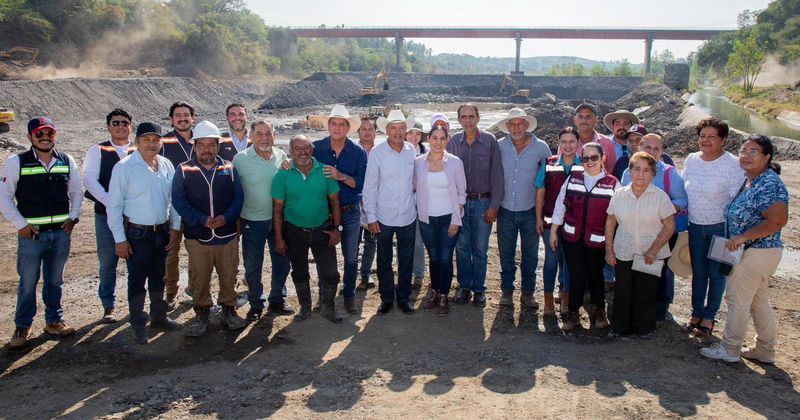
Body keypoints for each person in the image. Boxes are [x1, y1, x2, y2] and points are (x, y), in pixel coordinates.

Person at [700, 135, 788, 363]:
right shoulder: (751, 180)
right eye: (744, 150)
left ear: (767, 157)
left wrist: (742, 238)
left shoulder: (769, 184)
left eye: (754, 152)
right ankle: (765, 350)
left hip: (757, 251)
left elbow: (778, 220)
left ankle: (730, 349)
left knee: (736, 298)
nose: (746, 156)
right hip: (753, 251)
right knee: (758, 301)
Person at [2, 117, 82, 349]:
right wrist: (21, 224)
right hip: (31, 236)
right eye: (39, 134)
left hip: (60, 234)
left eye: (50, 133)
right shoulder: (16, 162)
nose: (45, 137)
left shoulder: (66, 160)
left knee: (55, 280)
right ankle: (22, 325)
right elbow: (4, 197)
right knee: (28, 282)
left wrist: (74, 217)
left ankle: (54, 321)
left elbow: (76, 192)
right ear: (30, 137)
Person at [107, 122, 182, 345]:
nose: (151, 144)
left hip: (162, 232)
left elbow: (174, 200)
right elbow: (114, 207)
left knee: (159, 276)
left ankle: (159, 317)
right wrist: (120, 239)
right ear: (137, 141)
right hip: (138, 234)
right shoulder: (125, 167)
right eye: (146, 140)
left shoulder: (167, 165)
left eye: (155, 140)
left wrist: (176, 227)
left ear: (161, 142)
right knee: (138, 279)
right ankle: (138, 322)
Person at [172, 121, 246, 337]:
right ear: (195, 146)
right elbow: (179, 201)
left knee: (228, 274)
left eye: (211, 145)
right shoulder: (184, 170)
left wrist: (227, 217)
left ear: (218, 146)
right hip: (198, 236)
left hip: (227, 235)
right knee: (200, 277)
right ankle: (202, 312)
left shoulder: (229, 168)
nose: (207, 149)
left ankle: (228, 309)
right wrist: (201, 219)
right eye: (202, 144)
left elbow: (238, 197)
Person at [681, 117, 745, 337]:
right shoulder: (691, 160)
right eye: (702, 136)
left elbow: (738, 199)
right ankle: (696, 313)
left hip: (722, 229)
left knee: (717, 274)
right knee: (698, 273)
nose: (706, 140)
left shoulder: (733, 164)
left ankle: (709, 318)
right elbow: (683, 187)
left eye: (712, 137)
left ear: (723, 140)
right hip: (695, 226)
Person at [273, 135, 343, 323]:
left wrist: (337, 228)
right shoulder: (282, 175)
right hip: (294, 231)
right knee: (299, 271)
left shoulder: (325, 172)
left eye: (306, 147)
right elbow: (277, 209)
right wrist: (279, 238)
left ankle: (329, 308)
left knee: (330, 273)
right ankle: (305, 307)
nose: (303, 152)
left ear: (312, 149)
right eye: (297, 148)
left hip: (323, 230)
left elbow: (335, 202)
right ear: (291, 151)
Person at [605, 152, 676, 336]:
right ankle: (619, 328)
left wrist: (653, 250)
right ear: (630, 171)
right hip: (624, 250)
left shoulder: (660, 197)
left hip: (650, 254)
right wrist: (609, 250)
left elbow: (670, 226)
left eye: (646, 170)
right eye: (637, 169)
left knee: (645, 292)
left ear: (653, 173)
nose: (641, 174)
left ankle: (643, 329)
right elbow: (610, 221)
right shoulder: (619, 194)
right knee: (623, 290)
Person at [550, 142, 617, 330]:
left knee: (596, 276)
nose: (589, 162)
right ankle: (572, 314)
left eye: (594, 157)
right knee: (576, 274)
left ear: (603, 158)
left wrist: (612, 244)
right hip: (572, 238)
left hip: (597, 241)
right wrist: (554, 231)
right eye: (585, 158)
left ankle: (599, 312)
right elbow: (560, 206)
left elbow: (618, 215)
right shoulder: (573, 179)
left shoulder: (613, 184)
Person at [622, 133, 688, 320]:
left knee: (662, 269)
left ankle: (661, 307)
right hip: (636, 229)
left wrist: (666, 210)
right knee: (638, 266)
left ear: (662, 152)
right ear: (639, 148)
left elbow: (682, 200)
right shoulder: (628, 172)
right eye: (647, 147)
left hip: (663, 230)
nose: (651, 152)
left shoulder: (669, 174)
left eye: (656, 148)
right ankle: (640, 303)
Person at [233, 119, 292, 321]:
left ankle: (277, 299)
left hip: (279, 221)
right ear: (251, 136)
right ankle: (256, 303)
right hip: (252, 221)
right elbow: (234, 192)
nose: (264, 138)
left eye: (268, 133)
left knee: (282, 262)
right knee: (253, 265)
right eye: (259, 134)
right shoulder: (240, 160)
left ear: (274, 135)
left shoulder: (281, 156)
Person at [445, 103, 504, 307]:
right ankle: (464, 287)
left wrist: (493, 206)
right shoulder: (453, 142)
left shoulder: (489, 141)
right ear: (459, 119)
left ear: (478, 118)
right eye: (464, 116)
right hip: (460, 204)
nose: (468, 120)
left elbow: (497, 175)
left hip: (482, 202)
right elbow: (447, 176)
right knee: (461, 248)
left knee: (480, 248)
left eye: (471, 116)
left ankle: (479, 289)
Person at [311, 105, 368, 315]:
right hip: (324, 212)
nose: (337, 127)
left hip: (351, 211)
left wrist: (341, 176)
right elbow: (301, 170)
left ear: (347, 127)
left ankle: (349, 295)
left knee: (351, 257)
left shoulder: (358, 152)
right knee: (323, 256)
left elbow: (363, 183)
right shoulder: (315, 149)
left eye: (341, 124)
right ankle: (322, 296)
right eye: (333, 123)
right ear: (328, 126)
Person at [82, 108, 135, 323]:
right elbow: (89, 180)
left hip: (134, 218)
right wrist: (111, 203)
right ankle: (108, 306)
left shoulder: (139, 149)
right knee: (107, 262)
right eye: (116, 123)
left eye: (124, 122)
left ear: (130, 126)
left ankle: (136, 304)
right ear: (108, 126)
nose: (120, 126)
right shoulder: (98, 150)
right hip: (105, 216)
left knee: (137, 263)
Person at [364, 110, 417, 315]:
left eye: (401, 128)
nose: (397, 132)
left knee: (406, 259)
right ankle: (386, 298)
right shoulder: (377, 152)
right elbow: (370, 187)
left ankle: (404, 298)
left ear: (406, 129)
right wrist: (371, 217)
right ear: (386, 130)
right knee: (384, 259)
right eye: (393, 128)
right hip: (383, 216)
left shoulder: (411, 150)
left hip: (408, 215)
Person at [496, 108, 551, 308]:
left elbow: (548, 181)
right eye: (512, 124)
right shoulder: (500, 146)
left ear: (527, 125)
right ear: (508, 127)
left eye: (520, 124)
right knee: (506, 254)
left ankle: (528, 293)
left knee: (530, 254)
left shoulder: (541, 148)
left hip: (530, 211)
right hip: (505, 210)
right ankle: (507, 291)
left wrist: (542, 213)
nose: (516, 128)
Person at [414, 125, 466, 316]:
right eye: (434, 138)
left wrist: (456, 220)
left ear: (447, 140)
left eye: (442, 138)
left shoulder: (455, 163)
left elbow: (462, 194)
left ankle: (444, 296)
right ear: (428, 139)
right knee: (434, 257)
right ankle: (434, 293)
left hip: (448, 219)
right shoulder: (418, 163)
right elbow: (412, 187)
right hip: (427, 219)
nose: (438, 142)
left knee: (445, 258)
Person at [536, 127, 582, 315]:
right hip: (549, 222)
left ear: (578, 143)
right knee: (551, 260)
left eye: (572, 142)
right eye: (564, 142)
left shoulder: (585, 164)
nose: (568, 145)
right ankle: (548, 299)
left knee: (569, 262)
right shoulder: (549, 163)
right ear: (559, 143)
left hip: (573, 224)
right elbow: (540, 191)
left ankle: (565, 299)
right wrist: (538, 218)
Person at [161, 101, 196, 308]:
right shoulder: (163, 142)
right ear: (172, 119)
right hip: (171, 207)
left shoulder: (201, 141)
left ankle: (194, 287)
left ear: (193, 117)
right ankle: (170, 292)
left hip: (196, 207)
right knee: (170, 251)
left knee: (196, 250)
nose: (182, 119)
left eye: (186, 115)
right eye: (178, 115)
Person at [356, 117, 378, 290]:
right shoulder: (351, 151)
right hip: (354, 205)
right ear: (358, 132)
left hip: (375, 205)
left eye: (370, 129)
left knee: (371, 242)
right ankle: (351, 275)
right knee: (352, 242)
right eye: (364, 129)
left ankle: (366, 274)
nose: (367, 132)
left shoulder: (381, 151)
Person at [406, 122, 427, 288]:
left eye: (417, 134)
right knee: (403, 241)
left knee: (418, 241)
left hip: (421, 203)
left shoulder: (427, 153)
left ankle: (419, 274)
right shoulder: (400, 152)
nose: (414, 137)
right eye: (410, 133)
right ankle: (404, 272)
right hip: (402, 203)